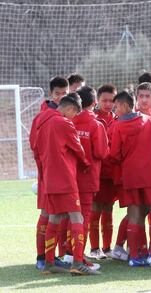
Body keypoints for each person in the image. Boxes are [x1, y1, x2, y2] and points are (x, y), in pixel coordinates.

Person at [36, 94, 99, 275]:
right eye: (75, 114)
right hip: (65, 178)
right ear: (71, 109)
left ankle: (49, 263)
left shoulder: (42, 122)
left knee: (54, 218)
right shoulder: (64, 123)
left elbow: (37, 150)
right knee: (77, 217)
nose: (74, 118)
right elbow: (78, 148)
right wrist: (86, 163)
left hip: (49, 178)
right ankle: (78, 263)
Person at [110, 90, 151, 267]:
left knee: (134, 214)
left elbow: (114, 155)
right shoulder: (149, 121)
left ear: (123, 106)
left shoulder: (117, 126)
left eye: (116, 107)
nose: (115, 111)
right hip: (149, 174)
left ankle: (135, 256)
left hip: (130, 175)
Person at [30, 76, 69, 270]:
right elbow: (34, 146)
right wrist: (44, 168)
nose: (61, 97)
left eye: (64, 93)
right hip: (50, 174)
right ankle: (43, 258)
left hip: (59, 174)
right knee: (49, 213)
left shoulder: (67, 114)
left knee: (55, 214)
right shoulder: (43, 116)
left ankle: (49, 257)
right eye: (57, 94)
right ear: (50, 94)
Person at [73, 86, 109, 262]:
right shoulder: (96, 124)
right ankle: (79, 257)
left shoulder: (68, 121)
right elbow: (102, 152)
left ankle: (65, 254)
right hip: (88, 178)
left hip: (69, 177)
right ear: (95, 103)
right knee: (83, 217)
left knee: (66, 216)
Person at [89, 84, 120, 260]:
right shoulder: (93, 119)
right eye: (104, 100)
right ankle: (94, 248)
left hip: (111, 173)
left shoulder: (117, 118)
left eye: (111, 100)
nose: (108, 104)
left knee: (108, 209)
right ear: (97, 101)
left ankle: (107, 248)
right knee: (95, 210)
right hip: (96, 173)